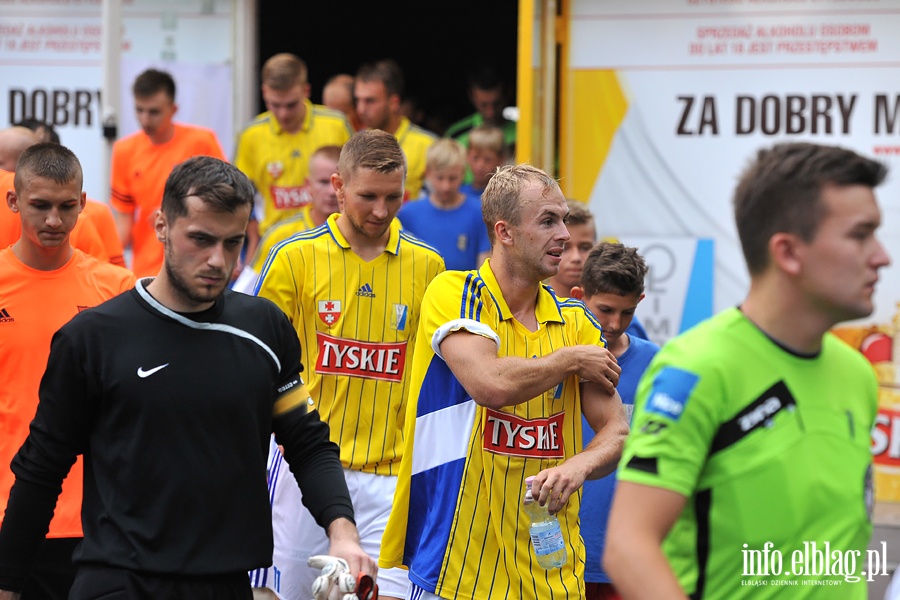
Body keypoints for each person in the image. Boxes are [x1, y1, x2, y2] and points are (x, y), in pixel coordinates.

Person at [0, 155, 374, 600]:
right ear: (161, 225)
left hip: (226, 583)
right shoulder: (92, 338)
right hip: (118, 580)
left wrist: (343, 531)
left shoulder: (264, 328)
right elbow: (41, 472)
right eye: (200, 239)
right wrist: (7, 585)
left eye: (232, 243)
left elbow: (308, 443)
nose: (218, 260)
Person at [604, 142, 891, 599]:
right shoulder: (696, 367)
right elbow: (628, 548)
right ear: (789, 253)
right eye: (861, 235)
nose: (882, 256)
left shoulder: (857, 374)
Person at [380, 163, 630, 599]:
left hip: (552, 574)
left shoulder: (576, 320)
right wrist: (569, 360)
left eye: (565, 221)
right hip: (455, 568)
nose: (566, 237)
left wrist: (578, 466)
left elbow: (617, 431)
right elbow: (489, 385)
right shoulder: (454, 293)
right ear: (505, 232)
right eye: (548, 221)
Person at [252, 130, 445, 600]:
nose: (381, 210)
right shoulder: (293, 258)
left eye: (393, 197)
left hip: (390, 478)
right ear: (338, 187)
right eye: (368, 196)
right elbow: (254, 363)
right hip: (305, 472)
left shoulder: (430, 267)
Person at [0, 143, 135, 600]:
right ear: (14, 201)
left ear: (83, 204)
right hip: (7, 513)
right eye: (40, 206)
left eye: (65, 206)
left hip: (95, 521)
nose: (54, 221)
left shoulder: (116, 289)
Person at [569, 242, 659, 600]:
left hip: (624, 551)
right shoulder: (553, 358)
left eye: (626, 312)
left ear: (640, 300)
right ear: (579, 295)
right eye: (604, 309)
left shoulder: (657, 364)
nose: (614, 323)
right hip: (557, 546)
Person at [234, 53, 353, 263]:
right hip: (275, 246)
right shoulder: (251, 135)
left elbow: (357, 180)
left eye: (291, 105)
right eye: (273, 105)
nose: (282, 114)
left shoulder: (335, 125)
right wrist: (248, 244)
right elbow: (240, 197)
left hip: (334, 241)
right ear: (264, 93)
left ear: (306, 91)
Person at [110, 68, 227, 278]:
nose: (145, 119)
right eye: (139, 110)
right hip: (146, 272)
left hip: (196, 267)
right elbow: (123, 225)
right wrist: (107, 265)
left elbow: (225, 201)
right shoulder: (124, 151)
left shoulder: (202, 142)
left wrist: (178, 211)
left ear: (173, 109)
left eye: (154, 111)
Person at [232, 145, 342, 294]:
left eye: (339, 184)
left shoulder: (364, 236)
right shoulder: (279, 236)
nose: (331, 192)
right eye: (323, 182)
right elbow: (246, 294)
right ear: (308, 185)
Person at [396, 138, 490, 271]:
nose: (446, 186)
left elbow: (484, 266)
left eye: (452, 178)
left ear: (463, 173)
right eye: (440, 178)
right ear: (428, 173)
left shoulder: (480, 213)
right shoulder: (408, 214)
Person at [354, 59, 437, 200]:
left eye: (370, 101)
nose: (360, 109)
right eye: (358, 100)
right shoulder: (353, 144)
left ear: (394, 103)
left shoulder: (428, 145)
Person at [444, 65, 517, 156]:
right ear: (471, 96)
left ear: (508, 94)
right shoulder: (456, 135)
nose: (491, 112)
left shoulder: (522, 133)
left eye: (496, 104)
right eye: (483, 105)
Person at [458, 123, 507, 198]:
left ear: (501, 159)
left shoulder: (503, 197)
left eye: (488, 159)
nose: (480, 165)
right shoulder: (458, 194)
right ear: (467, 156)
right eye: (475, 157)